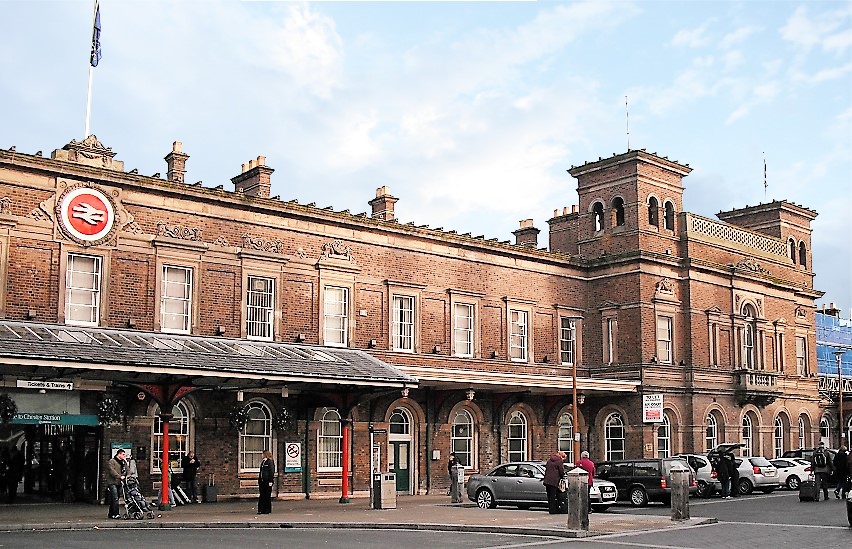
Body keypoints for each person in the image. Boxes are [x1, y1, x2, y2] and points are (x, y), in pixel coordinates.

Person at [105, 449, 127, 519]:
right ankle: (116, 513)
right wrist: (119, 476)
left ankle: (111, 513)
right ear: (119, 454)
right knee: (115, 498)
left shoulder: (123, 462)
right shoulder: (112, 461)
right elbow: (112, 471)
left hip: (119, 483)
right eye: (123, 454)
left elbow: (125, 470)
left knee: (114, 499)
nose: (124, 456)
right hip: (112, 482)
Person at [257, 449, 274, 514]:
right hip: (262, 481)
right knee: (262, 495)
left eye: (262, 454)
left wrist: (270, 481)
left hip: (267, 481)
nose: (261, 455)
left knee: (267, 496)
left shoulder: (270, 462)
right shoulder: (263, 462)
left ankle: (267, 509)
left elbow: (271, 472)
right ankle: (261, 509)